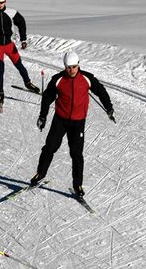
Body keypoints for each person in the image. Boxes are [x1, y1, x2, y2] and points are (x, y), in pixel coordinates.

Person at [29, 51, 115, 197]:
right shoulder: (58, 80)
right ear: (64, 66)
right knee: (50, 147)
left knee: (76, 154)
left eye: (74, 67)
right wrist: (42, 116)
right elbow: (47, 98)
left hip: (78, 122)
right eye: (68, 67)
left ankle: (78, 185)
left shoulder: (87, 78)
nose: (71, 70)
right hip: (60, 120)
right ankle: (40, 174)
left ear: (78, 65)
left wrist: (109, 107)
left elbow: (101, 91)